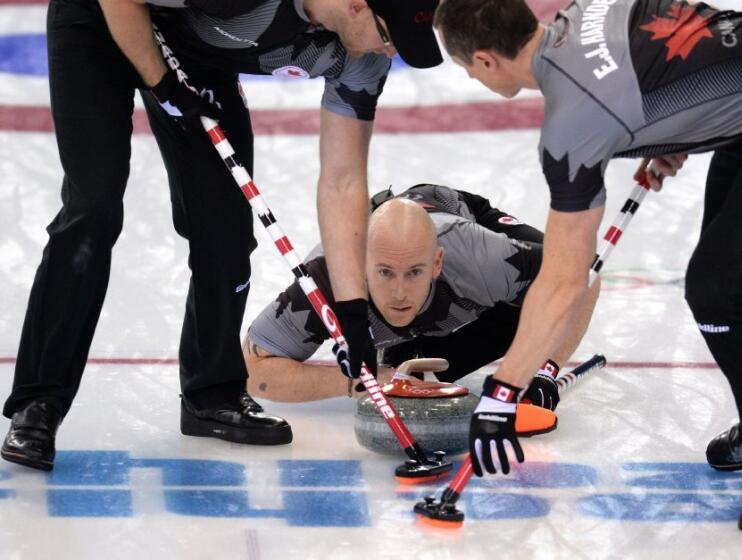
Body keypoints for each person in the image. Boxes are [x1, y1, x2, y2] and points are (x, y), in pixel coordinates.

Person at [433, 0, 742, 531]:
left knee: (719, 288)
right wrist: (674, 125)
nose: (467, 75)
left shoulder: (571, 125)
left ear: (486, 60)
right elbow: (687, 33)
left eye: (463, 65)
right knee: (736, 270)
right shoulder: (587, 10)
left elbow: (562, 279)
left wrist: (503, 391)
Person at [1, 0, 442, 471]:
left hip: (193, 50)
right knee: (94, 208)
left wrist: (352, 312)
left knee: (227, 230)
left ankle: (211, 393)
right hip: (100, 23)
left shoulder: (362, 58)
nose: (389, 51)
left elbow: (343, 180)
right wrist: (161, 80)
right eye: (387, 34)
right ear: (357, 6)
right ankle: (38, 402)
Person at [243, 184, 598, 407]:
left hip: (454, 217)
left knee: (536, 305)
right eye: (384, 273)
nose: (399, 293)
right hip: (425, 287)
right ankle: (401, 353)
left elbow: (585, 271)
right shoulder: (326, 281)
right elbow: (253, 370)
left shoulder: (478, 255)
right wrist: (362, 382)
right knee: (411, 376)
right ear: (362, 266)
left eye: (414, 272)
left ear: (437, 263)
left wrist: (546, 369)